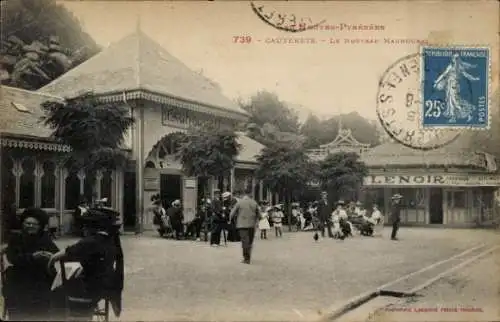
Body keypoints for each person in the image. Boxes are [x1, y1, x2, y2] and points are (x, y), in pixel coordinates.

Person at [48, 209, 124, 320]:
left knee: (57, 292)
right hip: (107, 286)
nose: (83, 229)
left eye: (85, 225)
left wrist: (51, 261)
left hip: (91, 289)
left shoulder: (90, 242)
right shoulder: (111, 240)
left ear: (92, 227)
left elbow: (63, 254)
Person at [3, 208, 60, 321]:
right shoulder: (16, 238)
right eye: (27, 223)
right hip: (20, 276)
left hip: (40, 277)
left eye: (34, 224)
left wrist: (50, 256)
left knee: (54, 290)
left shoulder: (44, 238)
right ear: (23, 224)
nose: (30, 226)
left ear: (40, 226)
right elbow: (12, 258)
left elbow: (55, 253)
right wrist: (32, 257)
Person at [229, 187, 260, 264]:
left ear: (244, 194)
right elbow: (259, 214)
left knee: (244, 242)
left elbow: (232, 213)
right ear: (250, 194)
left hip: (241, 225)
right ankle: (248, 257)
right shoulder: (254, 202)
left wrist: (231, 220)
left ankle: (246, 258)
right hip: (251, 225)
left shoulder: (239, 202)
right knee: (249, 242)